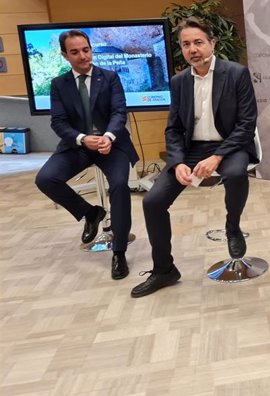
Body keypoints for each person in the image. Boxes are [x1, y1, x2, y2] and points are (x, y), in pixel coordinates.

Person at [131, 17, 258, 298]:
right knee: (152, 202)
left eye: (198, 42)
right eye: (186, 44)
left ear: (212, 43)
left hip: (230, 145)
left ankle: (232, 226)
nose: (193, 49)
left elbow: (246, 124)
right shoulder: (178, 82)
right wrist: (176, 163)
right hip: (190, 151)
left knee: (236, 173)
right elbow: (173, 128)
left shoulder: (236, 73)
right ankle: (164, 270)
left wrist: (217, 157)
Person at [35, 29, 139, 279]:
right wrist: (82, 139)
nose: (83, 56)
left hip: (110, 146)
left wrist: (108, 137)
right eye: (75, 52)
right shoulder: (59, 85)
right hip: (78, 146)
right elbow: (58, 122)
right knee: (45, 179)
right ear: (64, 55)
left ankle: (119, 252)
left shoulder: (110, 77)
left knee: (120, 187)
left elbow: (119, 113)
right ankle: (90, 213)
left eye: (86, 49)